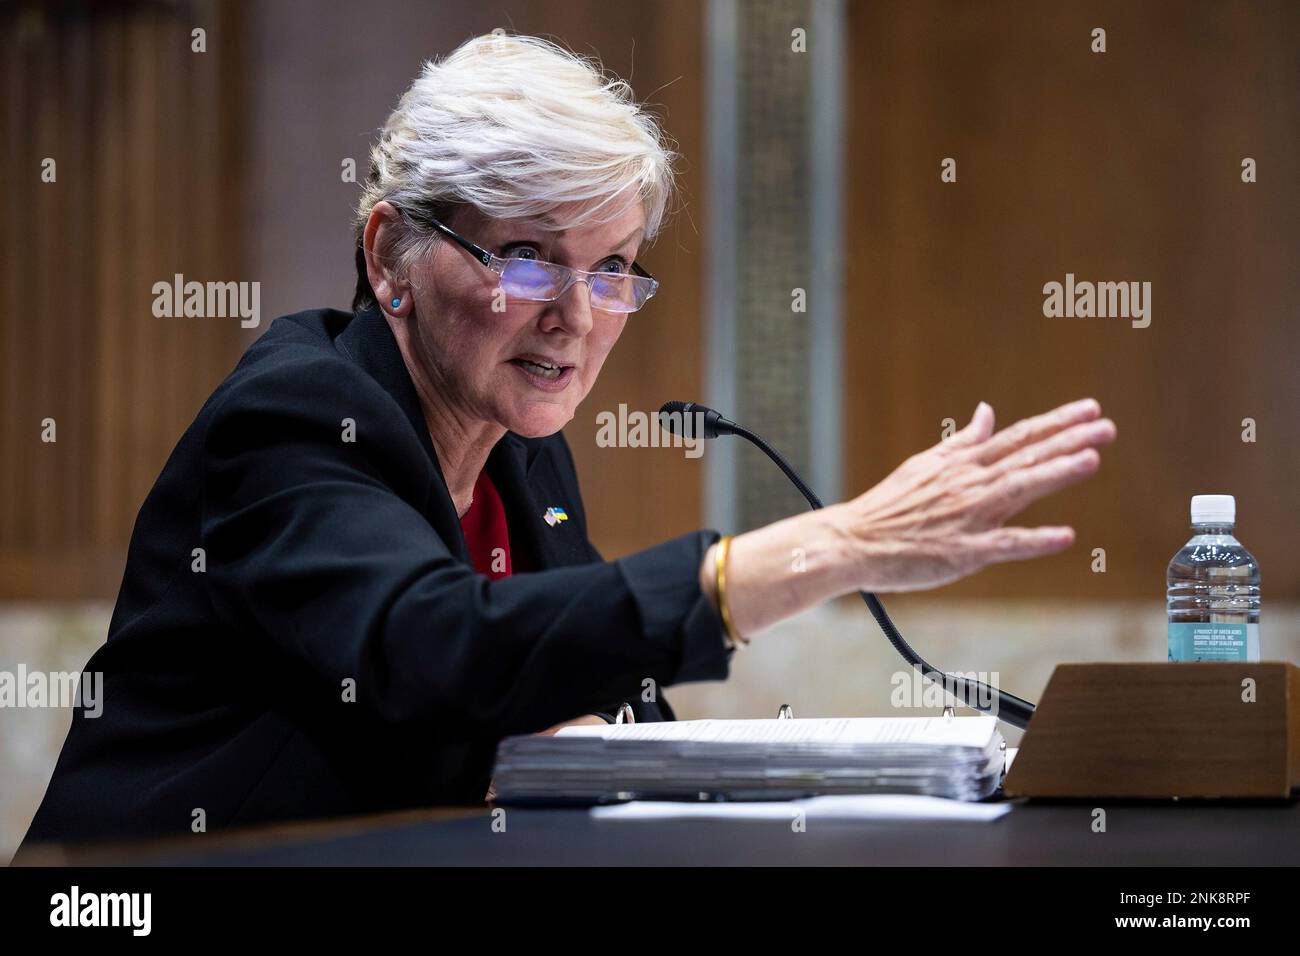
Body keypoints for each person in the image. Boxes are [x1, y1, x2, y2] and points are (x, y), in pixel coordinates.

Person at [22, 34, 1115, 845]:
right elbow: (432, 645)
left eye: (610, 266)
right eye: (529, 257)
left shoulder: (517, 450)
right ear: (389, 253)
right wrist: (825, 549)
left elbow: (590, 679)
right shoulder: (295, 416)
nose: (577, 317)